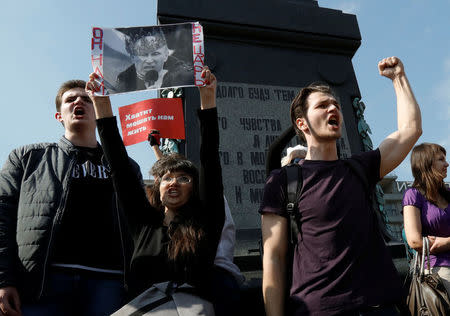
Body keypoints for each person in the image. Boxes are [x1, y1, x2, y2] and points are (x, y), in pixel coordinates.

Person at [260, 56, 422, 316]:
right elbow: (273, 257)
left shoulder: (361, 167)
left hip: (380, 307)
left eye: (335, 104)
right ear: (302, 124)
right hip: (321, 309)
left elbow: (410, 130)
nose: (333, 108)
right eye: (322, 105)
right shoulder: (282, 181)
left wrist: (398, 78)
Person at [87, 67, 232, 313]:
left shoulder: (207, 221)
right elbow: (119, 167)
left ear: (195, 188)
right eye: (166, 178)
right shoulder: (143, 224)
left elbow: (209, 158)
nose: (173, 182)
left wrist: (207, 98)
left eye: (183, 178)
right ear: (157, 185)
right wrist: (102, 104)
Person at [0, 80, 138, 316]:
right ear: (59, 116)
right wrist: (3, 279)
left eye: (86, 99)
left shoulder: (125, 167)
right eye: (70, 99)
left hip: (110, 283)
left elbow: (141, 224)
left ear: (98, 111)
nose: (78, 102)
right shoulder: (26, 158)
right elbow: (2, 216)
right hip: (43, 283)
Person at [403, 143, 450, 293]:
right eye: (441, 159)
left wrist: (445, 242)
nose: (447, 163)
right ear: (426, 164)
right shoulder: (413, 195)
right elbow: (415, 241)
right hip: (439, 272)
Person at [114, 27, 194, 92]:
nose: (149, 60)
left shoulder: (183, 77)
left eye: (155, 54)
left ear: (166, 55)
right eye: (143, 54)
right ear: (133, 57)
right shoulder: (122, 84)